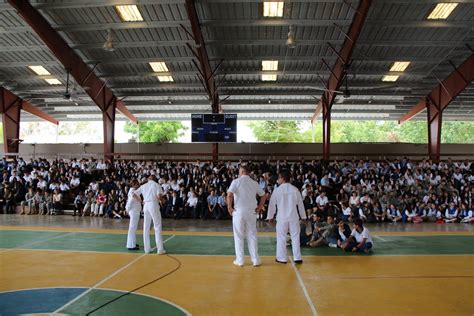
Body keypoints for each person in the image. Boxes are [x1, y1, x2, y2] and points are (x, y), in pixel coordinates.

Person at [227, 165, 267, 267]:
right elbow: (263, 195)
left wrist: (229, 208)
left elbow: (229, 195)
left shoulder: (236, 181)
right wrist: (259, 207)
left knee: (239, 236)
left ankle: (240, 260)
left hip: (239, 212)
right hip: (251, 212)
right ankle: (255, 260)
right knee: (252, 235)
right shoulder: (254, 183)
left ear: (242, 171)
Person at [267, 171, 307, 264]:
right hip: (293, 217)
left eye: (279, 178)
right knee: (295, 237)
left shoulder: (277, 190)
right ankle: (297, 258)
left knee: (281, 237)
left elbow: (272, 204)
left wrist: (270, 216)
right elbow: (300, 205)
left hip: (282, 217)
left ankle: (281, 258)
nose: (278, 180)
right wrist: (303, 217)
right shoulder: (295, 190)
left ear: (283, 179)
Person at [134, 175, 166, 254]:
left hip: (146, 205)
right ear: (155, 179)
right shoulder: (157, 185)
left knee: (146, 227)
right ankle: (160, 249)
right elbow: (159, 196)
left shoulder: (144, 185)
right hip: (153, 204)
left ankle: (147, 249)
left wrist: (141, 201)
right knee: (157, 226)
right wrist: (163, 201)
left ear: (149, 179)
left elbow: (134, 194)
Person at [126, 179, 141, 250]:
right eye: (137, 184)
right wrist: (127, 209)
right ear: (134, 184)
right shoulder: (132, 191)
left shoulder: (134, 191)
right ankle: (131, 245)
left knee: (133, 228)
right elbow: (131, 201)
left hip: (135, 211)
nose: (138, 185)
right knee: (132, 228)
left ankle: (133, 243)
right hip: (133, 211)